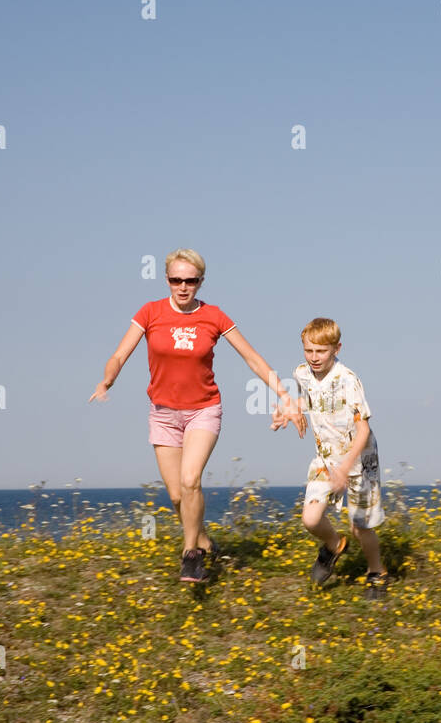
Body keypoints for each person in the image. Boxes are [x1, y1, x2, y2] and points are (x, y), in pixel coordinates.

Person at [90, 248, 305, 583]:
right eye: (176, 279)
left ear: (201, 282)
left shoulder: (214, 316)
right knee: (177, 495)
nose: (183, 286)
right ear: (167, 280)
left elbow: (252, 358)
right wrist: (107, 379)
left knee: (191, 481)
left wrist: (283, 394)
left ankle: (192, 555)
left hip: (203, 410)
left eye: (191, 280)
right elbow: (119, 354)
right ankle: (204, 540)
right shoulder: (150, 312)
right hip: (162, 414)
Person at [271, 317, 389, 596]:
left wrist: (346, 467)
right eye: (309, 350)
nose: (314, 357)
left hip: (359, 463)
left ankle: (377, 572)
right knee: (310, 519)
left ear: (337, 348)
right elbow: (312, 400)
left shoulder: (348, 381)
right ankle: (334, 546)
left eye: (321, 351)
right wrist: (291, 411)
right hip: (325, 459)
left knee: (361, 528)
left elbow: (364, 430)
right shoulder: (302, 373)